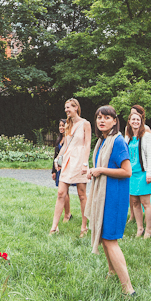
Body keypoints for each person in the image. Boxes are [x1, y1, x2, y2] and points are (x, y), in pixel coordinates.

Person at [86, 105, 135, 296]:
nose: (102, 120)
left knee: (109, 240)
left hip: (114, 197)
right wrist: (92, 171)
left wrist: (100, 170)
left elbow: (127, 171)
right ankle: (112, 272)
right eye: (99, 117)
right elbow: (103, 166)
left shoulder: (118, 142)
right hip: (104, 195)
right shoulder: (102, 141)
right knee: (105, 238)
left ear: (115, 121)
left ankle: (128, 289)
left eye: (107, 117)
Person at [51, 98, 91, 237]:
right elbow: (66, 145)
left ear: (76, 108)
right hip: (68, 161)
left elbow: (87, 144)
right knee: (61, 193)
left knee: (82, 194)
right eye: (65, 108)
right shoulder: (68, 124)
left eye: (68, 107)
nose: (66, 110)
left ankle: (84, 227)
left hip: (80, 160)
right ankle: (54, 227)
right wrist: (57, 159)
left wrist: (85, 163)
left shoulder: (85, 123)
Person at [124, 110, 151, 238]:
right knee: (135, 202)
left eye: (138, 120)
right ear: (129, 122)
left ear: (141, 122)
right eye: (133, 119)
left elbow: (150, 155)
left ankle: (148, 230)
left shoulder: (146, 136)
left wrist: (150, 173)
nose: (136, 122)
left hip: (143, 173)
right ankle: (139, 228)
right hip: (131, 174)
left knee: (145, 203)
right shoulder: (128, 138)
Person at [51, 119, 72, 222]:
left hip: (67, 167)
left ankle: (67, 214)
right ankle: (66, 213)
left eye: (63, 125)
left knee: (64, 192)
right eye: (60, 125)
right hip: (58, 168)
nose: (61, 127)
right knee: (62, 192)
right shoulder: (59, 139)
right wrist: (53, 171)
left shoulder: (70, 139)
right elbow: (55, 156)